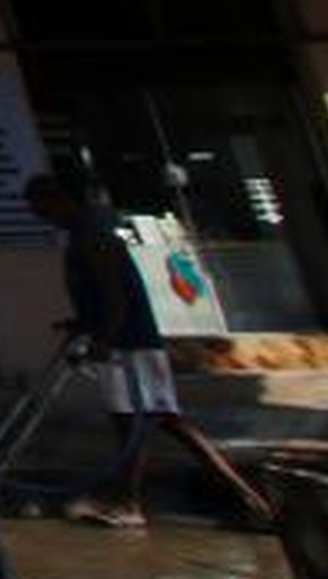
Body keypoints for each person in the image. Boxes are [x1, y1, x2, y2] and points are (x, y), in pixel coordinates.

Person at [21, 171, 276, 529]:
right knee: (167, 422)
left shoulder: (93, 237)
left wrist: (104, 338)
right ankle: (249, 499)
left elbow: (114, 294)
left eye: (40, 204)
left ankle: (129, 503)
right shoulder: (84, 236)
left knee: (133, 425)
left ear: (60, 199)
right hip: (130, 341)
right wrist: (81, 323)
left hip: (130, 345)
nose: (37, 213)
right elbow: (102, 295)